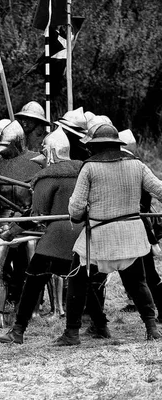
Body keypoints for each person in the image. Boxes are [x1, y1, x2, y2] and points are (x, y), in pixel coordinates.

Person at [53, 123, 162, 345]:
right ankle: (151, 328)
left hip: (100, 236)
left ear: (95, 146)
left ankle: (72, 333)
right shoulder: (137, 165)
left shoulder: (90, 168)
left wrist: (77, 217)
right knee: (138, 282)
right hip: (131, 235)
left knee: (76, 277)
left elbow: (76, 205)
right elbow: (159, 189)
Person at [0, 127, 87, 344]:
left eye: (45, 153)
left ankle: (17, 331)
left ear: (52, 153)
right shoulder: (83, 171)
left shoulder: (47, 177)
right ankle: (80, 330)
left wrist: (11, 232)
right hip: (83, 237)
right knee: (81, 282)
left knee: (33, 281)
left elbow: (35, 215)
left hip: (56, 238)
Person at [0, 120, 42, 327]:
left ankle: (33, 311)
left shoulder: (36, 161)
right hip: (5, 220)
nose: (3, 151)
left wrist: (35, 195)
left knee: (34, 267)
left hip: (29, 221)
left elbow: (44, 195)